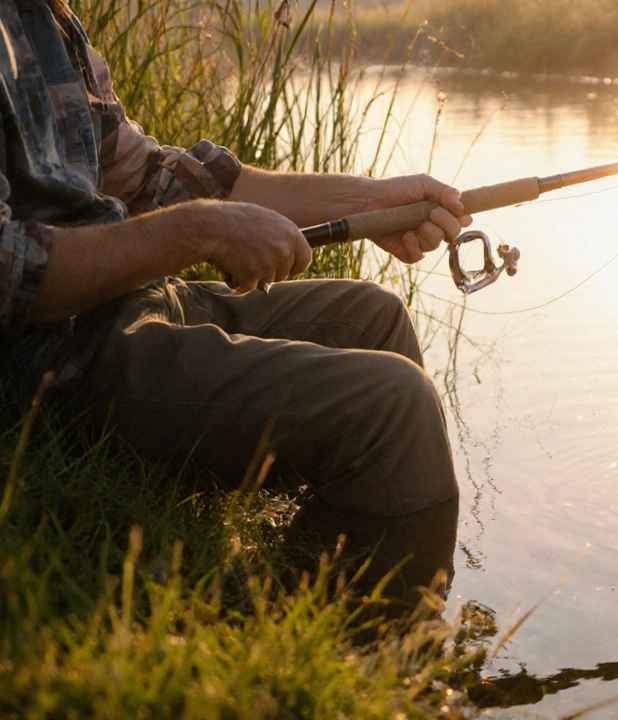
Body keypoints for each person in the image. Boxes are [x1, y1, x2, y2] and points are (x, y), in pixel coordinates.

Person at [0, 0, 471, 516]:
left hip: (123, 306)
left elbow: (151, 177)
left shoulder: (47, 15)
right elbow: (10, 269)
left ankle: (329, 565)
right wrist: (199, 231)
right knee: (396, 405)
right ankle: (387, 595)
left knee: (375, 317)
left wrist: (369, 200)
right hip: (52, 362)